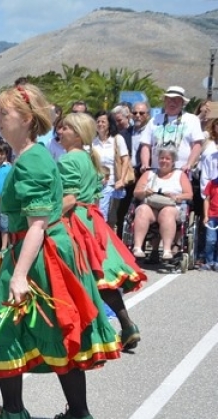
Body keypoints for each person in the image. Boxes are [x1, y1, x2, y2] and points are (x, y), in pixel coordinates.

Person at [0, 84, 121, 419]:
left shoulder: (33, 159)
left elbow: (37, 224)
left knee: (3, 326)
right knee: (53, 329)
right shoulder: (32, 155)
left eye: (4, 114)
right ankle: (74, 415)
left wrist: (18, 275)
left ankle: (17, 414)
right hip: (39, 250)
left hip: (36, 253)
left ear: (28, 119)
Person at [57, 112, 146, 351]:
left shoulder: (68, 161)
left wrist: (46, 220)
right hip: (93, 220)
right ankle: (127, 325)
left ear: (76, 134)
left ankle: (86, 333)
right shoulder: (89, 157)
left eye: (65, 128)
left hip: (75, 221)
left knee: (73, 275)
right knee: (100, 278)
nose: (60, 131)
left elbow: (70, 198)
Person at [131, 145, 193, 261]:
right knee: (142, 209)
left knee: (167, 213)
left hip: (171, 206)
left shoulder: (180, 175)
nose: (164, 161)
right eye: (162, 158)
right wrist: (144, 192)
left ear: (173, 161)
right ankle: (138, 247)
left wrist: (176, 196)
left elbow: (189, 194)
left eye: (167, 158)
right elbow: (136, 192)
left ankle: (167, 249)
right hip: (151, 205)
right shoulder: (149, 174)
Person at [91, 111, 130, 226]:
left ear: (109, 124)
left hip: (113, 183)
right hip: (96, 183)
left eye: (103, 121)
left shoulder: (117, 139)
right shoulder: (92, 142)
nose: (100, 124)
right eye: (98, 121)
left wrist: (122, 179)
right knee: (97, 214)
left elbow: (125, 160)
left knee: (108, 216)